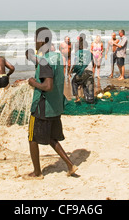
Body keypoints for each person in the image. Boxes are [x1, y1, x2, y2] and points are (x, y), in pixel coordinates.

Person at [24, 27, 78, 180]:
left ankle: (37, 173)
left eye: (35, 39)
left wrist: (33, 83)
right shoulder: (56, 57)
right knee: (49, 138)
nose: (34, 42)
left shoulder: (45, 60)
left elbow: (48, 86)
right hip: (55, 105)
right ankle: (70, 165)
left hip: (43, 106)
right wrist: (31, 56)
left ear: (41, 40)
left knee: (32, 138)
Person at [71, 34, 94, 104]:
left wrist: (71, 71)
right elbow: (94, 64)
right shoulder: (90, 53)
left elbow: (76, 63)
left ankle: (77, 98)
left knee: (74, 82)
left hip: (82, 72)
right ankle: (89, 101)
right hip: (90, 72)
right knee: (88, 86)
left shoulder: (78, 52)